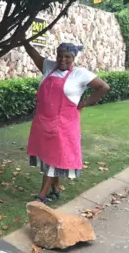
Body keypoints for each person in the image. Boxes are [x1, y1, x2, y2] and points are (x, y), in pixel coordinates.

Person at [24, 41, 110, 203]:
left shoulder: (81, 74)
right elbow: (32, 53)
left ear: (73, 58)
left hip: (63, 126)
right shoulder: (48, 67)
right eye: (60, 56)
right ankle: (55, 190)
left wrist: (84, 103)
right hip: (43, 123)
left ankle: (41, 196)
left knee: (54, 159)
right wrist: (22, 40)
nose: (63, 59)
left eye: (67, 57)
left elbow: (104, 87)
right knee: (47, 157)